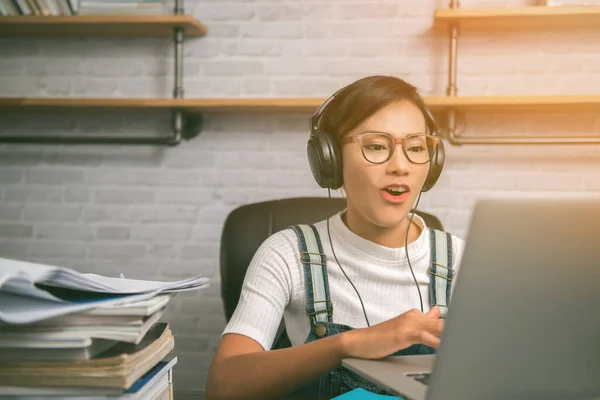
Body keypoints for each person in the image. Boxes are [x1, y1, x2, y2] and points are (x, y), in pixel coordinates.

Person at [206, 75, 466, 400]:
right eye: (375, 146)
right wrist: (348, 344)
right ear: (329, 158)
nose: (400, 166)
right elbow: (223, 386)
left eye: (416, 147)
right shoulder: (287, 254)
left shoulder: (462, 260)